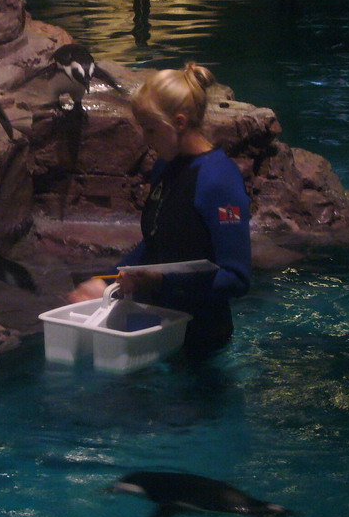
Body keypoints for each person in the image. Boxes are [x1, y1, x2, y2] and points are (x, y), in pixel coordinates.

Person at [68, 61, 252, 357]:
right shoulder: (166, 167)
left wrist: (163, 283)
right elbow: (157, 242)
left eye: (151, 130)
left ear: (178, 122)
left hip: (203, 339)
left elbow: (237, 278)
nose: (146, 139)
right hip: (157, 326)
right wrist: (107, 280)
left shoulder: (219, 180)